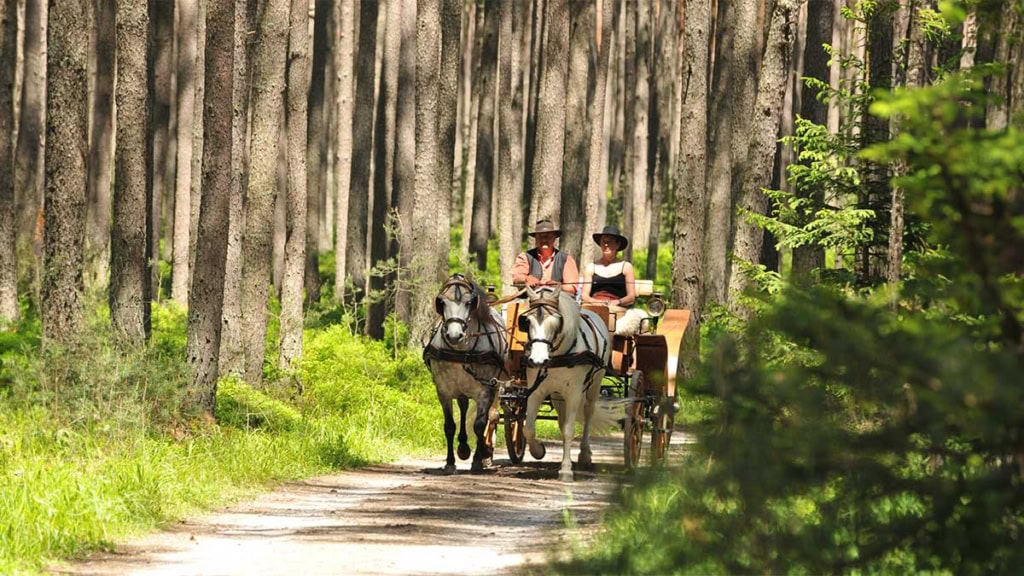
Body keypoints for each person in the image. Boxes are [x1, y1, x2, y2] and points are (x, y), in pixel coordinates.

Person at [511, 218, 579, 295]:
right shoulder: (525, 257)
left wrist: (558, 286)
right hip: (529, 300)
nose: (544, 240)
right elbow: (517, 277)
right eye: (540, 236)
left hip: (558, 302)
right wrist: (526, 279)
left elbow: (572, 288)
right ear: (536, 238)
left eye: (548, 236)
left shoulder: (566, 259)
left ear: (554, 238)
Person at [582, 225, 636, 311]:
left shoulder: (626, 267)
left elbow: (631, 296)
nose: (606, 245)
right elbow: (584, 295)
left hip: (618, 309)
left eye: (610, 242)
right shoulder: (591, 268)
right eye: (603, 241)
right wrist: (595, 302)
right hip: (594, 306)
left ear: (617, 245)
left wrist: (617, 302)